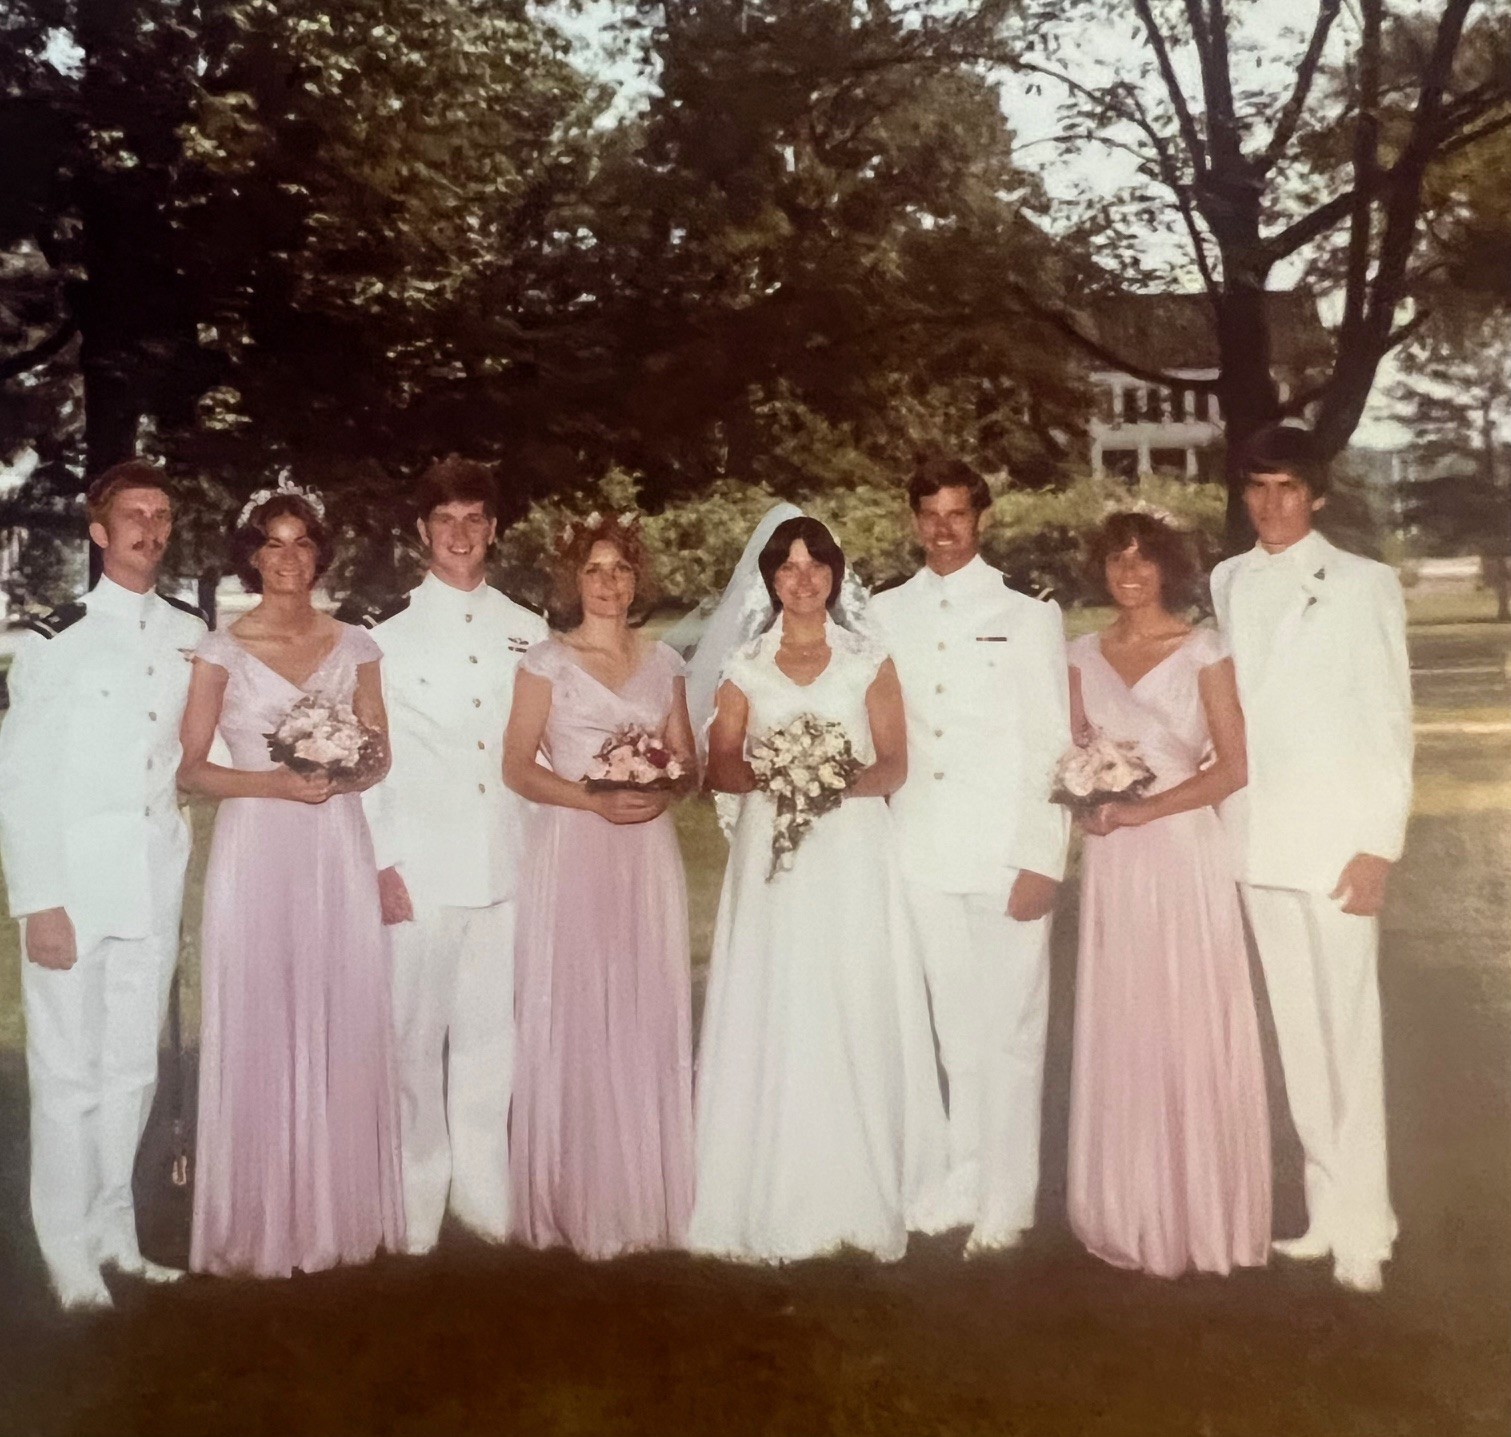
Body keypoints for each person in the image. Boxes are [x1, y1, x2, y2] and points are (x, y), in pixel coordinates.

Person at [687, 516, 950, 1262]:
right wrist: (782, 777)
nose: (801, 580)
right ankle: (765, 1184)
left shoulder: (869, 660)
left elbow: (893, 762)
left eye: (815, 566)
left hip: (853, 853)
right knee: (780, 1000)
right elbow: (723, 764)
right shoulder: (745, 664)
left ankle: (866, 1181)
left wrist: (828, 784)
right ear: (769, 580)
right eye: (787, 568)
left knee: (852, 997)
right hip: (776, 865)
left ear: (835, 575)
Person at [179, 484, 404, 1277]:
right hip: (256, 843)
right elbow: (195, 768)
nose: (287, 558)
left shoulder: (357, 644)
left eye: (301, 542)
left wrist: (344, 770)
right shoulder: (219, 649)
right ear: (251, 555)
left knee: (337, 1004)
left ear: (319, 554)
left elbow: (380, 754)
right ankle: (260, 1219)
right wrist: (275, 784)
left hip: (335, 843)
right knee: (262, 1008)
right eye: (272, 543)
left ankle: (337, 1212)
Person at [1211, 425, 1413, 1295]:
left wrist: (1378, 844)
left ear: (1317, 494)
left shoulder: (1365, 583)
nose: (1270, 504)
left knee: (1348, 1036)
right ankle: (1325, 1209)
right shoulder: (1226, 581)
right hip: (1258, 839)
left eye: (1287, 487)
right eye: (1257, 487)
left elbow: (1389, 721)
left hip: (1337, 841)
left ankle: (1367, 1223)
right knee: (1297, 1034)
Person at [0, 461, 205, 1309]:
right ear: (98, 531)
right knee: (66, 1071)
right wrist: (38, 899)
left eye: (160, 514)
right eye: (131, 515)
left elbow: (180, 758)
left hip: (151, 877)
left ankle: (115, 1232)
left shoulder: (187, 631)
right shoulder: (58, 637)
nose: (148, 529)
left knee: (131, 1069)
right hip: (74, 886)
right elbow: (20, 780)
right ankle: (66, 1251)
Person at [867, 456, 1071, 1253]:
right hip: (921, 846)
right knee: (955, 1029)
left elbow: (1049, 740)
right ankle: (964, 1173)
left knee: (1011, 1027)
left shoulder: (1026, 613)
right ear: (912, 520)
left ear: (980, 518)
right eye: (930, 514)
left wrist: (1041, 856)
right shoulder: (885, 613)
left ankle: (1006, 1199)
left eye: (958, 513)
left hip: (1002, 849)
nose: (944, 529)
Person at [1065, 511, 1269, 1279]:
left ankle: (1201, 1209)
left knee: (1186, 1015)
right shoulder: (1078, 655)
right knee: (1128, 1017)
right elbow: (1074, 753)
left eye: (1144, 560)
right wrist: (1088, 798)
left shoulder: (1203, 650)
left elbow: (1232, 766)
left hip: (1182, 851)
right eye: (1116, 558)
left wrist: (1146, 808)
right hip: (1116, 859)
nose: (1129, 572)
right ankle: (1129, 1202)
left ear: (1167, 570)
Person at [359, 457, 547, 1254]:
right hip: (423, 866)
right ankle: (415, 1195)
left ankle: (483, 1192)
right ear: (421, 533)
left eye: (474, 518)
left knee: (489, 1038)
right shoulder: (384, 633)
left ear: (494, 529)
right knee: (412, 1040)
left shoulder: (528, 628)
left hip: (507, 860)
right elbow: (369, 758)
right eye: (446, 520)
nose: (460, 534)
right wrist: (382, 859)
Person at [503, 513, 695, 1258]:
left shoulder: (667, 663)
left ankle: (646, 1197)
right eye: (594, 570)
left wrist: (662, 784)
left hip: (647, 852)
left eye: (620, 569)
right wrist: (596, 798)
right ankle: (577, 1197)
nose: (608, 583)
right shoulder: (545, 663)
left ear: (636, 578)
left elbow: (687, 762)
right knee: (579, 1009)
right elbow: (518, 766)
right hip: (574, 845)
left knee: (644, 1006)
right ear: (572, 581)